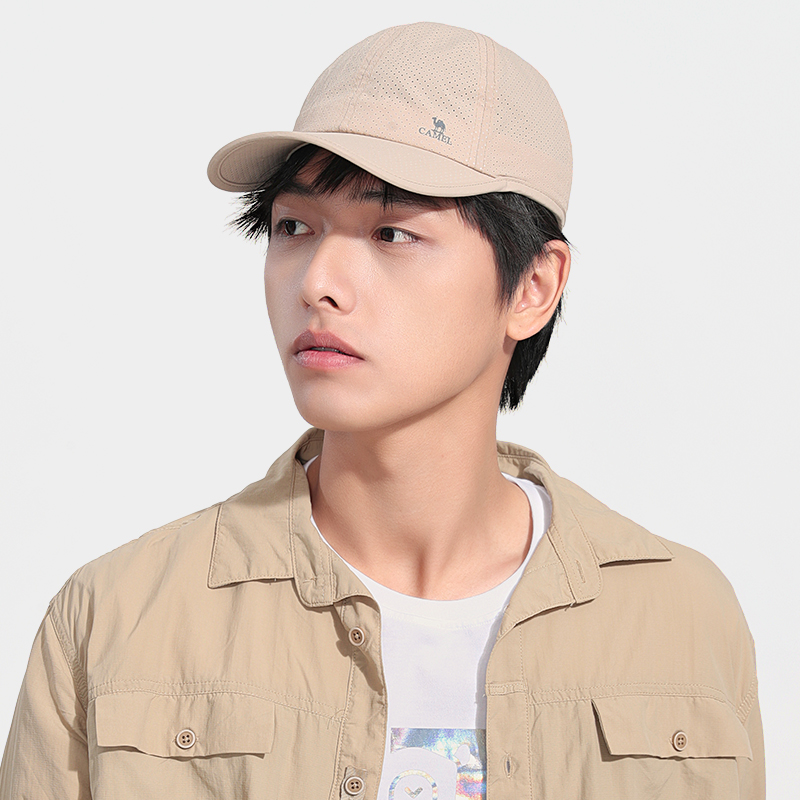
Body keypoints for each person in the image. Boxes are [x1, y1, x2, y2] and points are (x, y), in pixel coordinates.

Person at [0, 21, 764, 800]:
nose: (317, 282)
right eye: (294, 227)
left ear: (533, 287)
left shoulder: (684, 621)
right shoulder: (116, 619)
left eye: (392, 232)